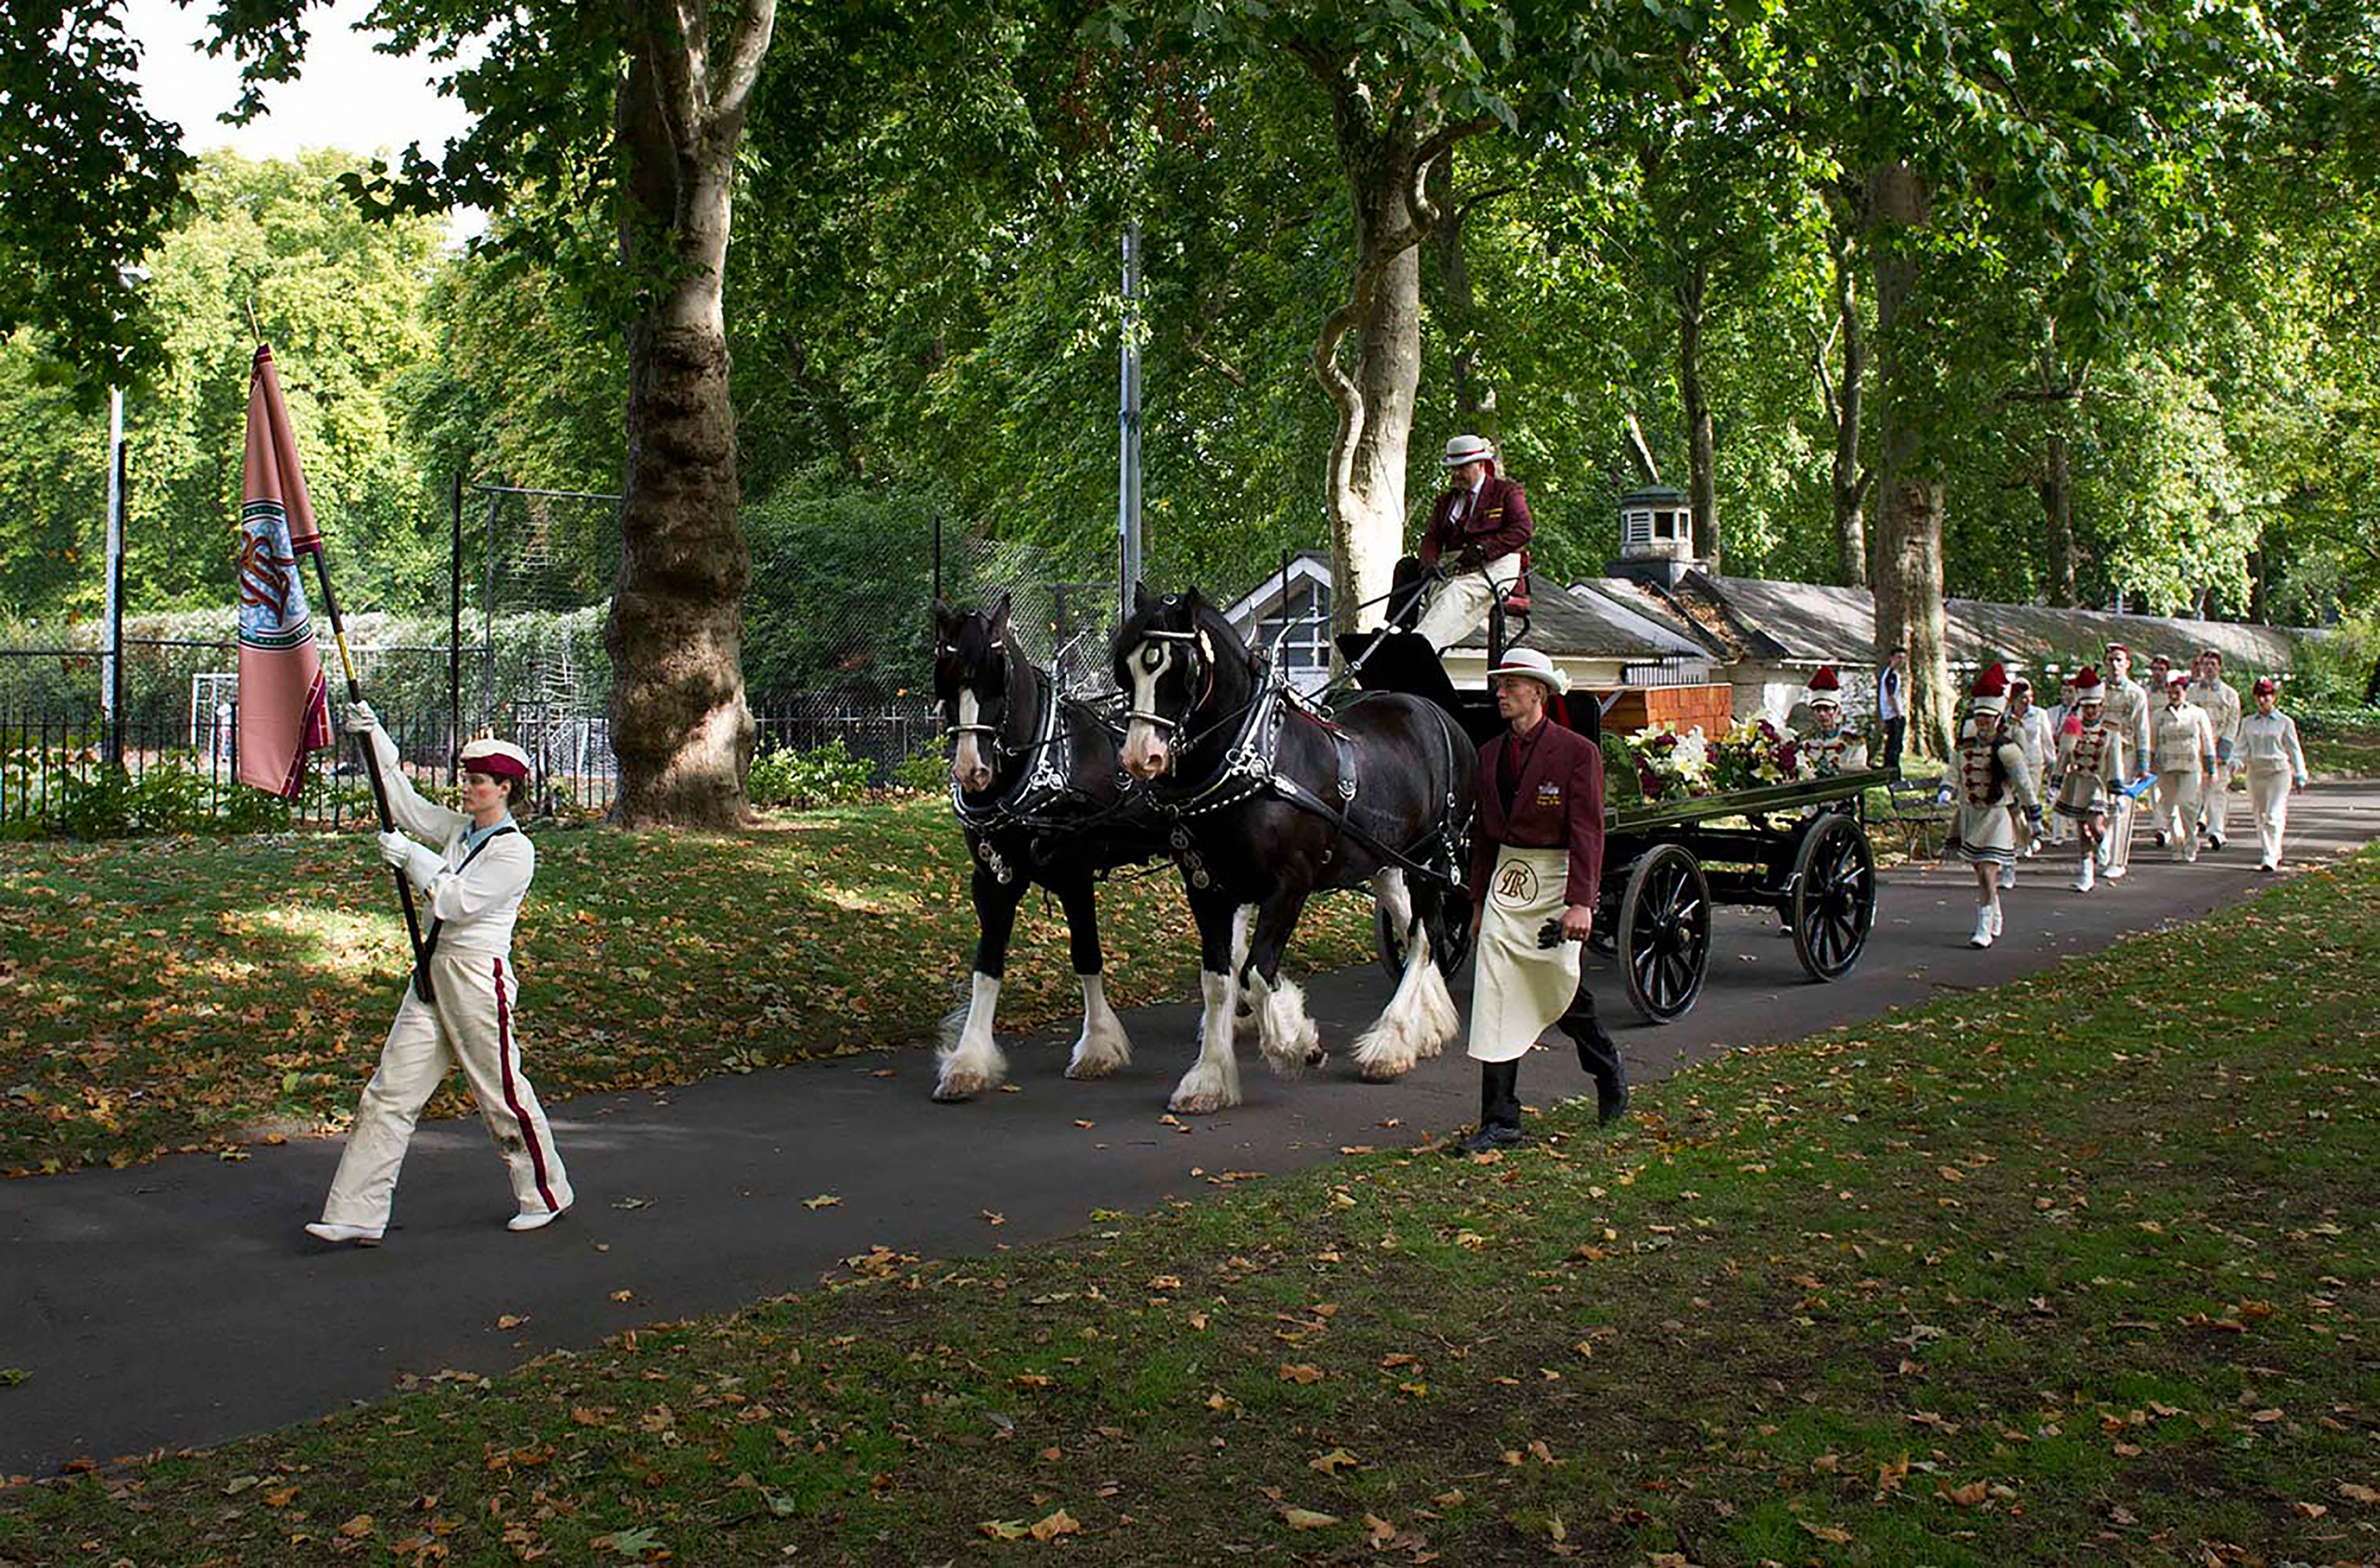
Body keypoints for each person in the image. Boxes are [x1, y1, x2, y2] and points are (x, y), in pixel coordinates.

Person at [305, 706, 574, 1245]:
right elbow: (403, 802)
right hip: (432, 972)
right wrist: (375, 735)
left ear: (504, 788)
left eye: (477, 781)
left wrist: (411, 860)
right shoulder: (459, 832)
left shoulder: (516, 852)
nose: (467, 788)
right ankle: (356, 1212)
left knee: (501, 1093)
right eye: (467, 779)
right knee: (389, 1093)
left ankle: (544, 1192)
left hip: (478, 978)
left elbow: (454, 900)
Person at [1460, 647, 1624, 1151]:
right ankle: (1500, 1119)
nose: (1500, 692)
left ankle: (1607, 1067)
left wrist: (1582, 903)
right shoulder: (1488, 755)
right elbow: (1484, 837)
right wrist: (1478, 901)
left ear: (1539, 691)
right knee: (1496, 992)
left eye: (1510, 685)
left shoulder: (1577, 753)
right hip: (1506, 882)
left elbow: (1588, 832)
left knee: (1559, 984)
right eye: (1500, 685)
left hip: (1556, 880)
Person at [1411, 434, 1534, 652]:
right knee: (1412, 573)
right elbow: (1432, 538)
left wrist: (1483, 550)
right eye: (1453, 469)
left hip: (1497, 564)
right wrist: (1429, 564)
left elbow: (1522, 530)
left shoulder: (1506, 492)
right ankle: (1394, 631)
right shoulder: (1446, 501)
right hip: (1455, 564)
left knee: (1457, 593)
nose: (1456, 474)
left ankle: (1419, 648)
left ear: (1481, 465)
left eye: (1462, 468)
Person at [1949, 665, 2039, 949]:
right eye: (1979, 717)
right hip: (1972, 814)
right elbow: (1953, 772)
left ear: (1998, 719)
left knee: (1988, 871)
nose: (1983, 723)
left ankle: (1983, 927)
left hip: (1998, 816)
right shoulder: (1964, 747)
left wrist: (2034, 817)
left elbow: (2024, 785)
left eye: (1989, 718)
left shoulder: (2007, 750)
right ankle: (1995, 909)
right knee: (1979, 870)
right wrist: (1945, 789)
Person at [2053, 666, 2122, 893]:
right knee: (2082, 829)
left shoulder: (2111, 731)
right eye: (2086, 707)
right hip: (2077, 782)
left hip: (2098, 783)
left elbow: (2115, 761)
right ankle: (2087, 873)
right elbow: (2064, 757)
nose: (2090, 711)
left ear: (2102, 707)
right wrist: (2056, 782)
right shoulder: (2074, 726)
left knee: (2095, 823)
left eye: (2094, 707)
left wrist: (2118, 789)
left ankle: (2104, 842)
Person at [2237, 675, 2310, 871]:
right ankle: (2271, 850)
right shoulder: (2248, 723)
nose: (2263, 700)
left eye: (2267, 695)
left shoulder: (2285, 722)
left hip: (2278, 773)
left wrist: (2301, 772)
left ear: (2274, 697)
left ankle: (2269, 857)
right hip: (2256, 773)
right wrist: (2234, 763)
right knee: (2260, 816)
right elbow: (2241, 748)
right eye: (2259, 696)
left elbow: (2294, 749)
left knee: (2273, 815)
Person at [2148, 669, 2218, 863]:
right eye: (2170, 691)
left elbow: (2207, 742)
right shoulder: (2158, 716)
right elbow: (2152, 744)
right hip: (2166, 767)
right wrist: (2147, 767)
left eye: (2178, 690)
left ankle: (2191, 842)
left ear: (2185, 691)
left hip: (2190, 766)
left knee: (2187, 804)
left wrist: (2211, 769)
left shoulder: (2197, 714)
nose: (2174, 694)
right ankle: (2177, 845)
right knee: (2169, 808)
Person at [2099, 643, 2153, 880]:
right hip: (2100, 753)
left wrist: (2143, 763)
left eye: (2119, 660)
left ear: (2128, 664)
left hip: (2126, 753)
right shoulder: (2097, 690)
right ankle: (2102, 846)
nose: (2115, 665)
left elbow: (2143, 729)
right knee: (2101, 803)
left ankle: (2118, 860)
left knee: (2122, 806)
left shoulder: (2136, 693)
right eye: (2110, 660)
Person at [2190, 647, 2243, 851]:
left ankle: (2217, 831)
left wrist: (2223, 751)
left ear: (2220, 667)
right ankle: (2192, 828)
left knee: (2218, 790)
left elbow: (2233, 723)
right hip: (2197, 748)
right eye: (2206, 664)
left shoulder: (2230, 695)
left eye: (2213, 664)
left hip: (2219, 747)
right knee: (2196, 790)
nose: (2209, 668)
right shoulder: (2193, 692)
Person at [2004, 677, 2055, 873]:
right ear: (2014, 699)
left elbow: (2047, 742)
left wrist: (2053, 767)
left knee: (2027, 802)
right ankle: (2022, 840)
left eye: (2030, 697)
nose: (2027, 701)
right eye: (2023, 698)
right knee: (2013, 806)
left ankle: (2029, 837)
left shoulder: (2039, 715)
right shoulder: (2005, 717)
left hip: (2034, 764)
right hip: (2011, 765)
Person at [1799, 665, 1869, 774]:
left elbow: (1863, 769)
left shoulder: (1854, 742)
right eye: (1818, 709)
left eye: (1827, 709)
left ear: (1837, 711)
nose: (1822, 714)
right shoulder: (1806, 740)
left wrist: (1837, 768)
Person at [2042, 672, 2080, 847]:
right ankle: (2058, 833)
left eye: (2071, 692)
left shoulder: (2081, 714)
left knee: (2075, 795)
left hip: (2075, 760)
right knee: (2056, 794)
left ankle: (2074, 828)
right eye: (2064, 691)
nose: (2067, 696)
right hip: (2056, 757)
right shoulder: (2051, 713)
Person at [2140, 653, 2174, 846]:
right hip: (2151, 744)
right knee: (2154, 788)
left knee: (2170, 787)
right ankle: (2160, 826)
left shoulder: (2172, 692)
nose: (2158, 673)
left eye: (2162, 670)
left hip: (2170, 744)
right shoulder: (2145, 693)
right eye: (2155, 669)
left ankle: (2172, 824)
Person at [1877, 648, 1909, 770]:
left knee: (1893, 744)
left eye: (1903, 658)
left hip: (1891, 715)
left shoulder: (1893, 674)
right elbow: (1891, 696)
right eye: (1898, 657)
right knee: (1895, 745)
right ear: (1892, 658)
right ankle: (1892, 769)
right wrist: (1898, 713)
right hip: (1893, 715)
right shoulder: (1891, 675)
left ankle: (1889, 768)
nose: (1901, 661)